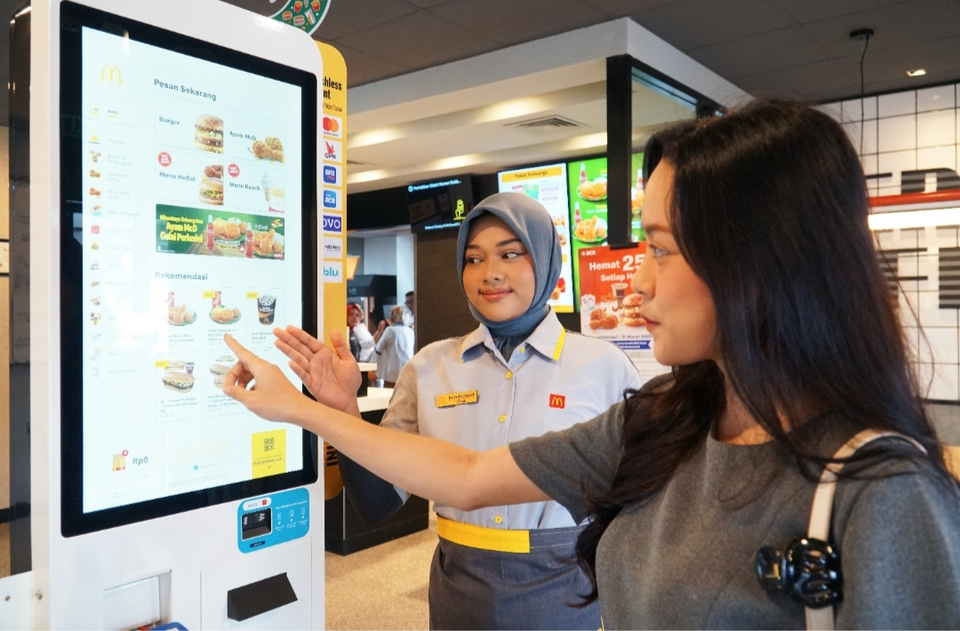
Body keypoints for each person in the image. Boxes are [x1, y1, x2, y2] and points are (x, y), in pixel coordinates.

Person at [223, 100, 960, 629]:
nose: (636, 279)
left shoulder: (880, 491)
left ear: (758, 263)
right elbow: (466, 477)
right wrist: (308, 408)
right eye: (474, 257)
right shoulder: (666, 419)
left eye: (660, 248)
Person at [242, 193, 639, 629]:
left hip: (566, 593)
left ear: (545, 259)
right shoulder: (430, 368)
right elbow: (377, 503)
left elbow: (642, 508)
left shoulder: (603, 367)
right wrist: (343, 409)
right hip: (457, 594)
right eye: (474, 258)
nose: (490, 273)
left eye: (510, 254)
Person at [372, 305, 414, 387]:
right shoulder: (410, 331)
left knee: (390, 392)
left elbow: (378, 349)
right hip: (407, 371)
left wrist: (373, 366)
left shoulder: (390, 330)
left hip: (391, 372)